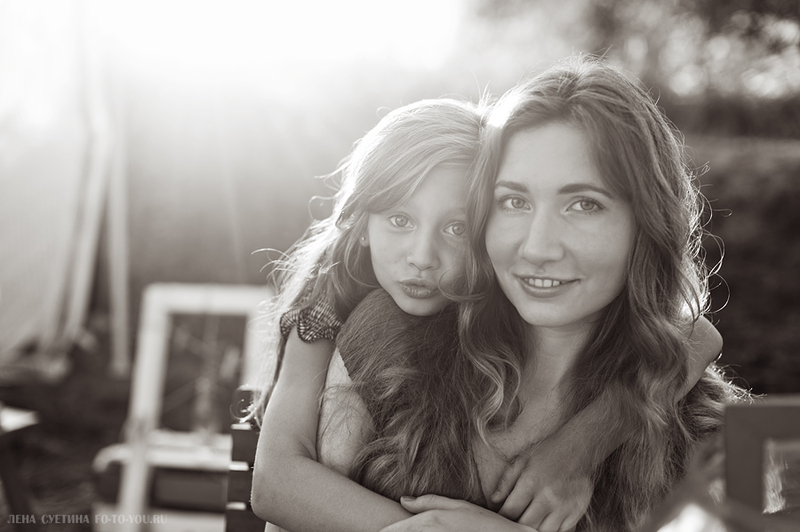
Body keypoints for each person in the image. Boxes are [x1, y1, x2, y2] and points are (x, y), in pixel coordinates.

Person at [250, 87, 724, 532]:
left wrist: (581, 446)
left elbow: (696, 334)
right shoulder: (333, 304)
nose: (422, 257)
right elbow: (276, 484)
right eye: (399, 219)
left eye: (456, 228)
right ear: (360, 225)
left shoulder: (475, 307)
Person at [377, 55, 749, 532]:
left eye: (584, 204)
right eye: (514, 201)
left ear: (648, 224)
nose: (537, 248)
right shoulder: (396, 355)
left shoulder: (715, 441)